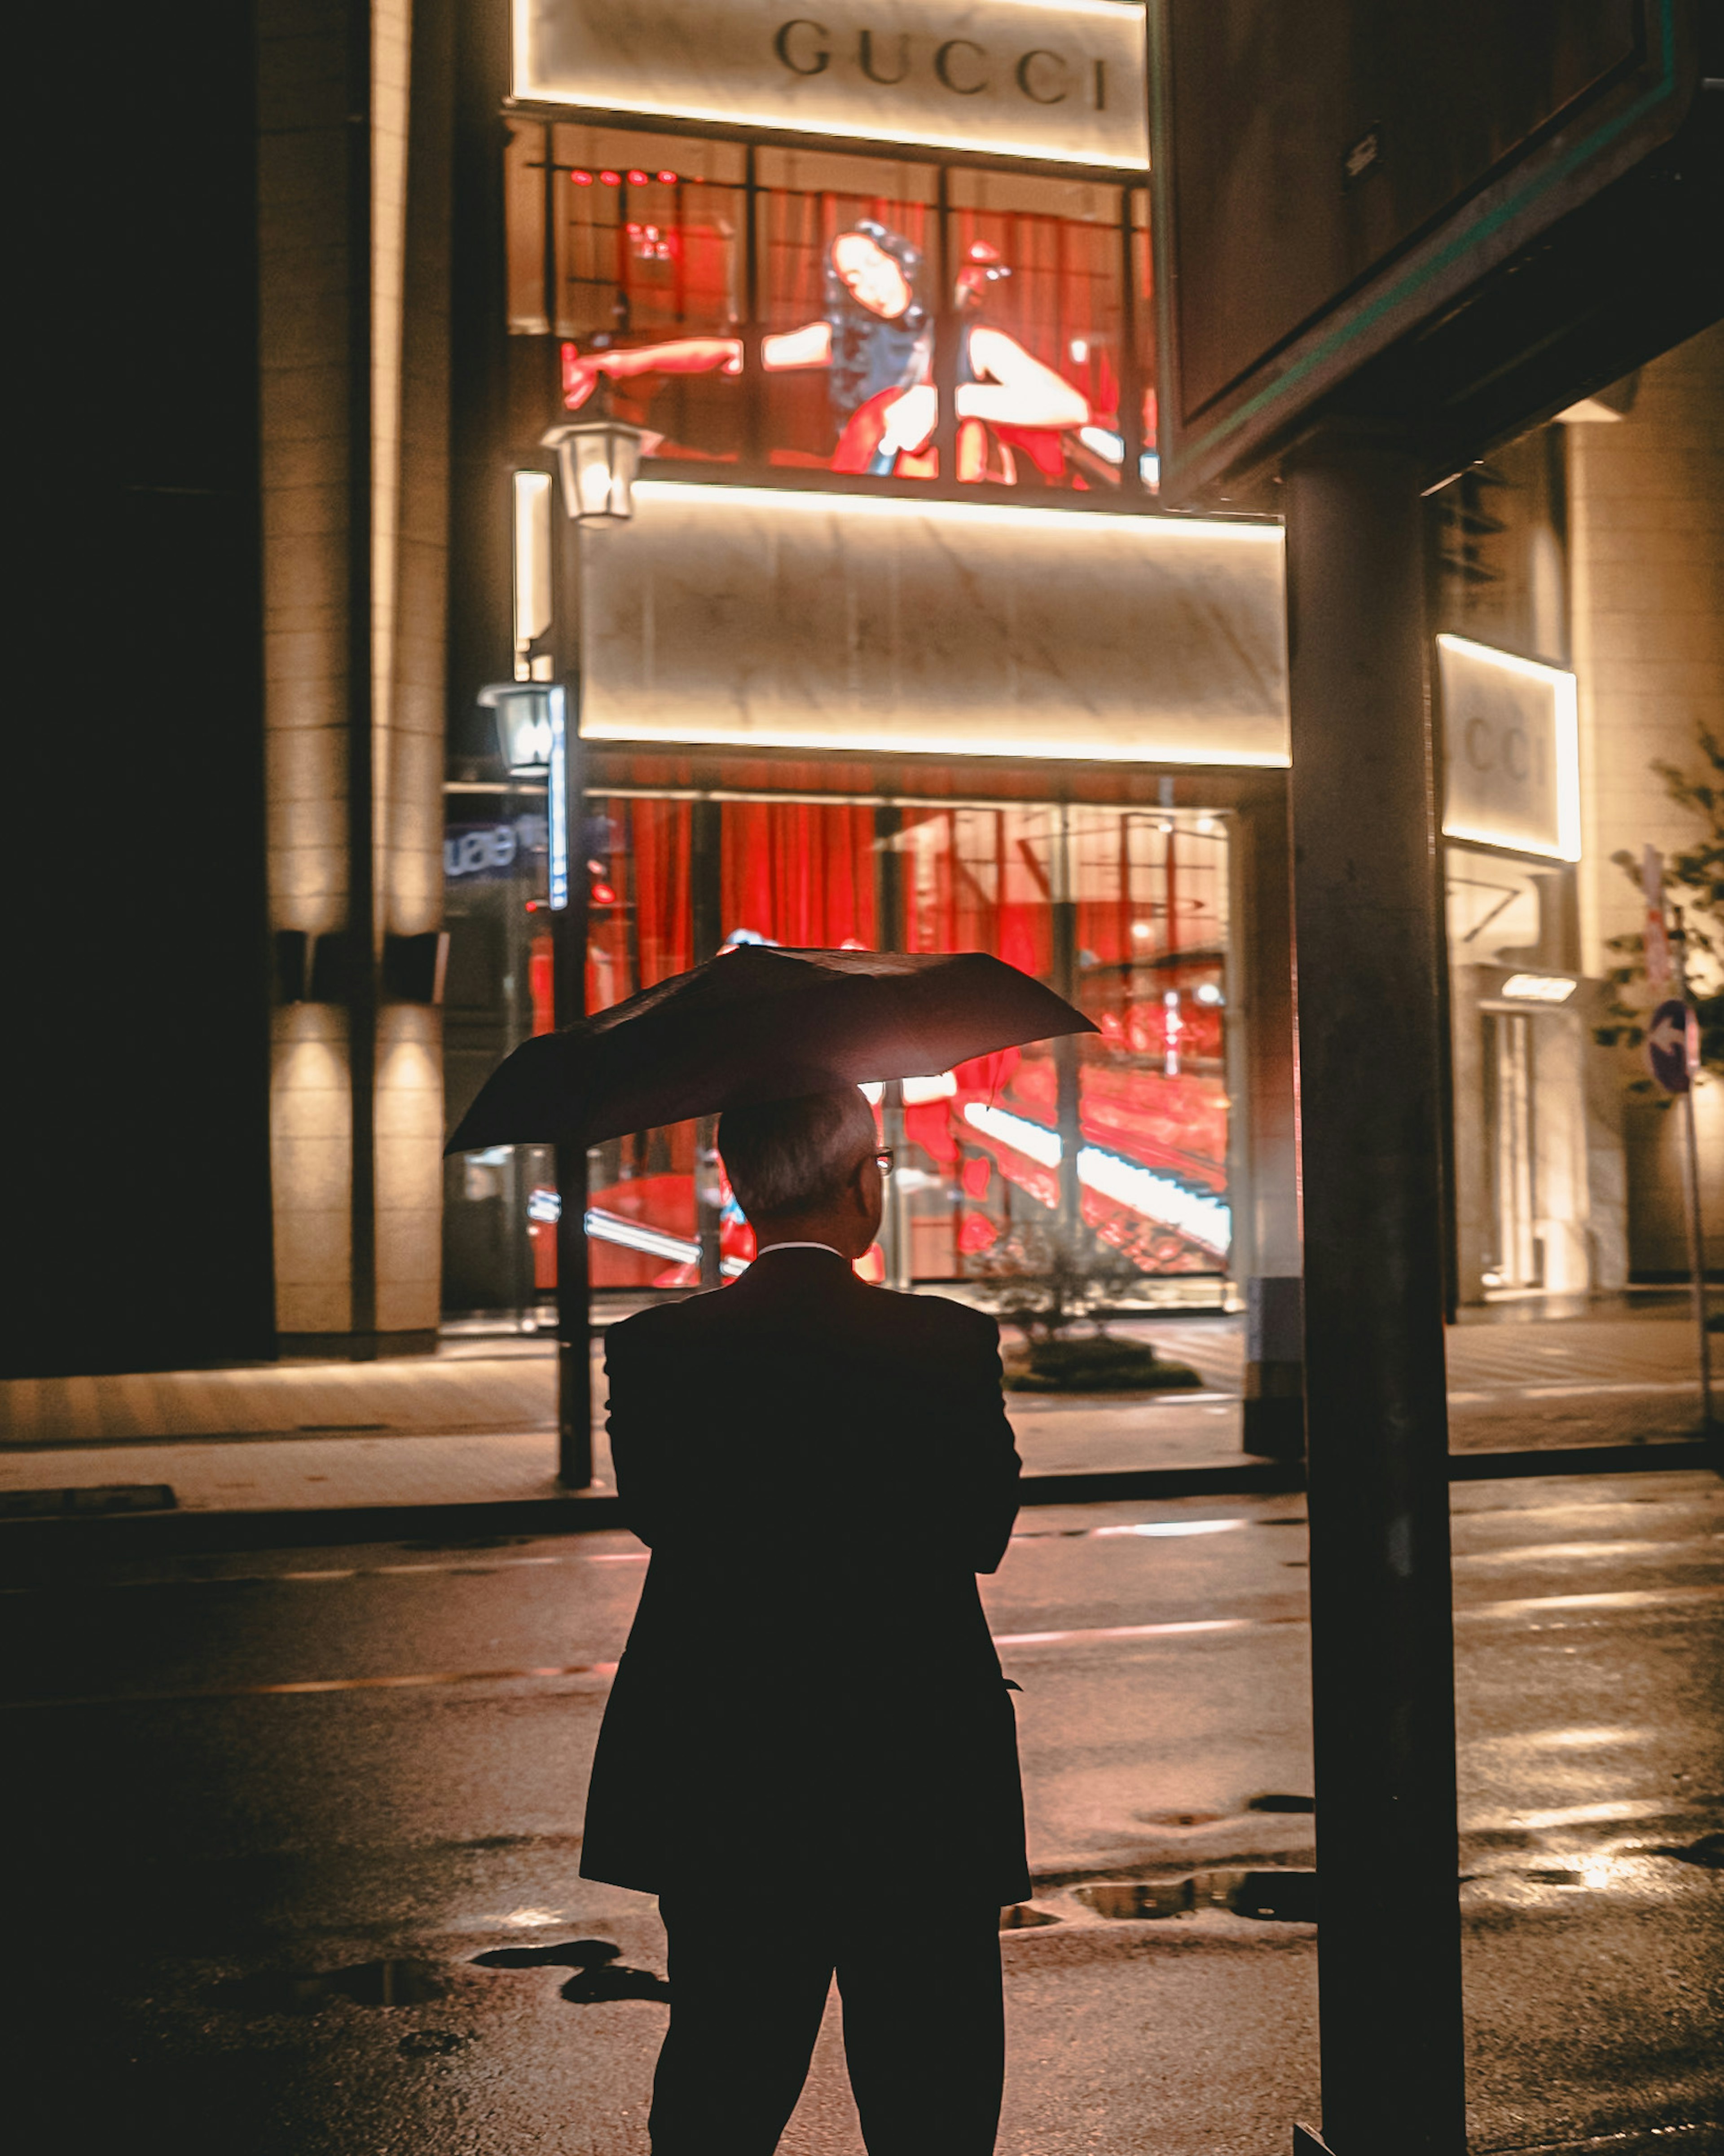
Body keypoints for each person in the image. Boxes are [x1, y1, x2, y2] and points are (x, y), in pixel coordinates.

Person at [581, 1085, 1029, 2155]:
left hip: (729, 1770)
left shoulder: (657, 1350)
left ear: (735, 1188)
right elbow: (981, 1528)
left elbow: (661, 1517)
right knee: (933, 2091)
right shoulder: (941, 1340)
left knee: (722, 2079)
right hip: (913, 1769)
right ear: (862, 1182)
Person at [560, 220, 1088, 480]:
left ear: (903, 259)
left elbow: (1072, 407)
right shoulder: (847, 339)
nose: (870, 286)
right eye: (853, 279)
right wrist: (619, 362)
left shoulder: (977, 342)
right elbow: (731, 354)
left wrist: (953, 400)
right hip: (857, 480)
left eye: (876, 264)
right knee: (756, 467)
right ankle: (640, 451)